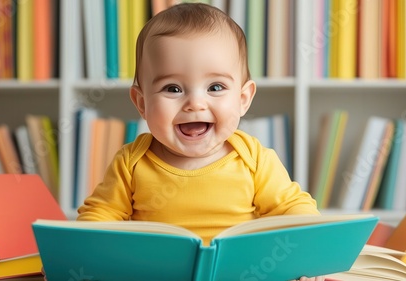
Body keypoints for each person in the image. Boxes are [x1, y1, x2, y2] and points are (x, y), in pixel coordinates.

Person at [76, 3, 324, 281]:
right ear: (142, 103)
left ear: (243, 99)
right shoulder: (131, 162)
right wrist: (78, 257)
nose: (195, 103)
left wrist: (308, 254)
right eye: (173, 88)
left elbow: (293, 208)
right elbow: (100, 215)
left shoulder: (254, 159)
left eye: (215, 87)